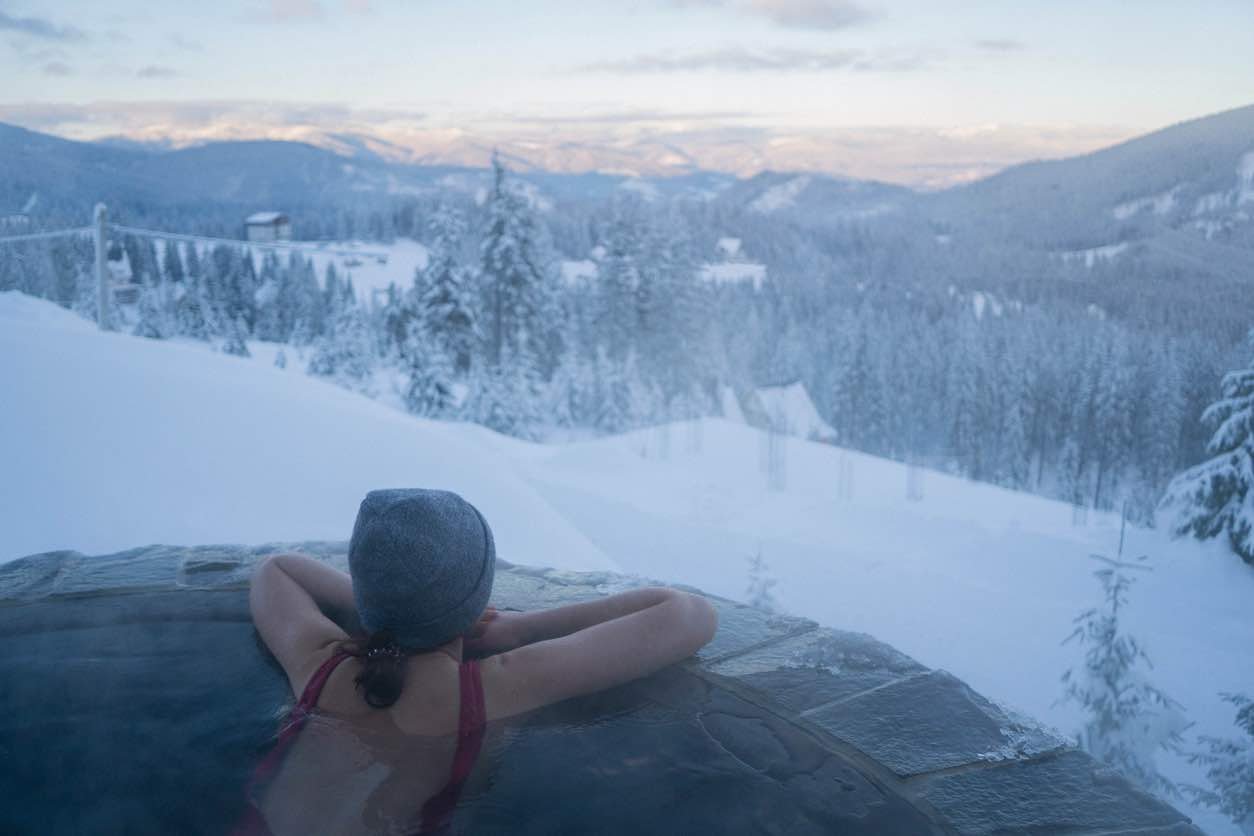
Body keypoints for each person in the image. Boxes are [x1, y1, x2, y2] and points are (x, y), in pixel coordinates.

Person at [235, 488, 718, 835]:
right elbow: (689, 615)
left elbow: (276, 567)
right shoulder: (493, 689)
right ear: (476, 598)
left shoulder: (320, 665)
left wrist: (385, 608)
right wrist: (521, 629)